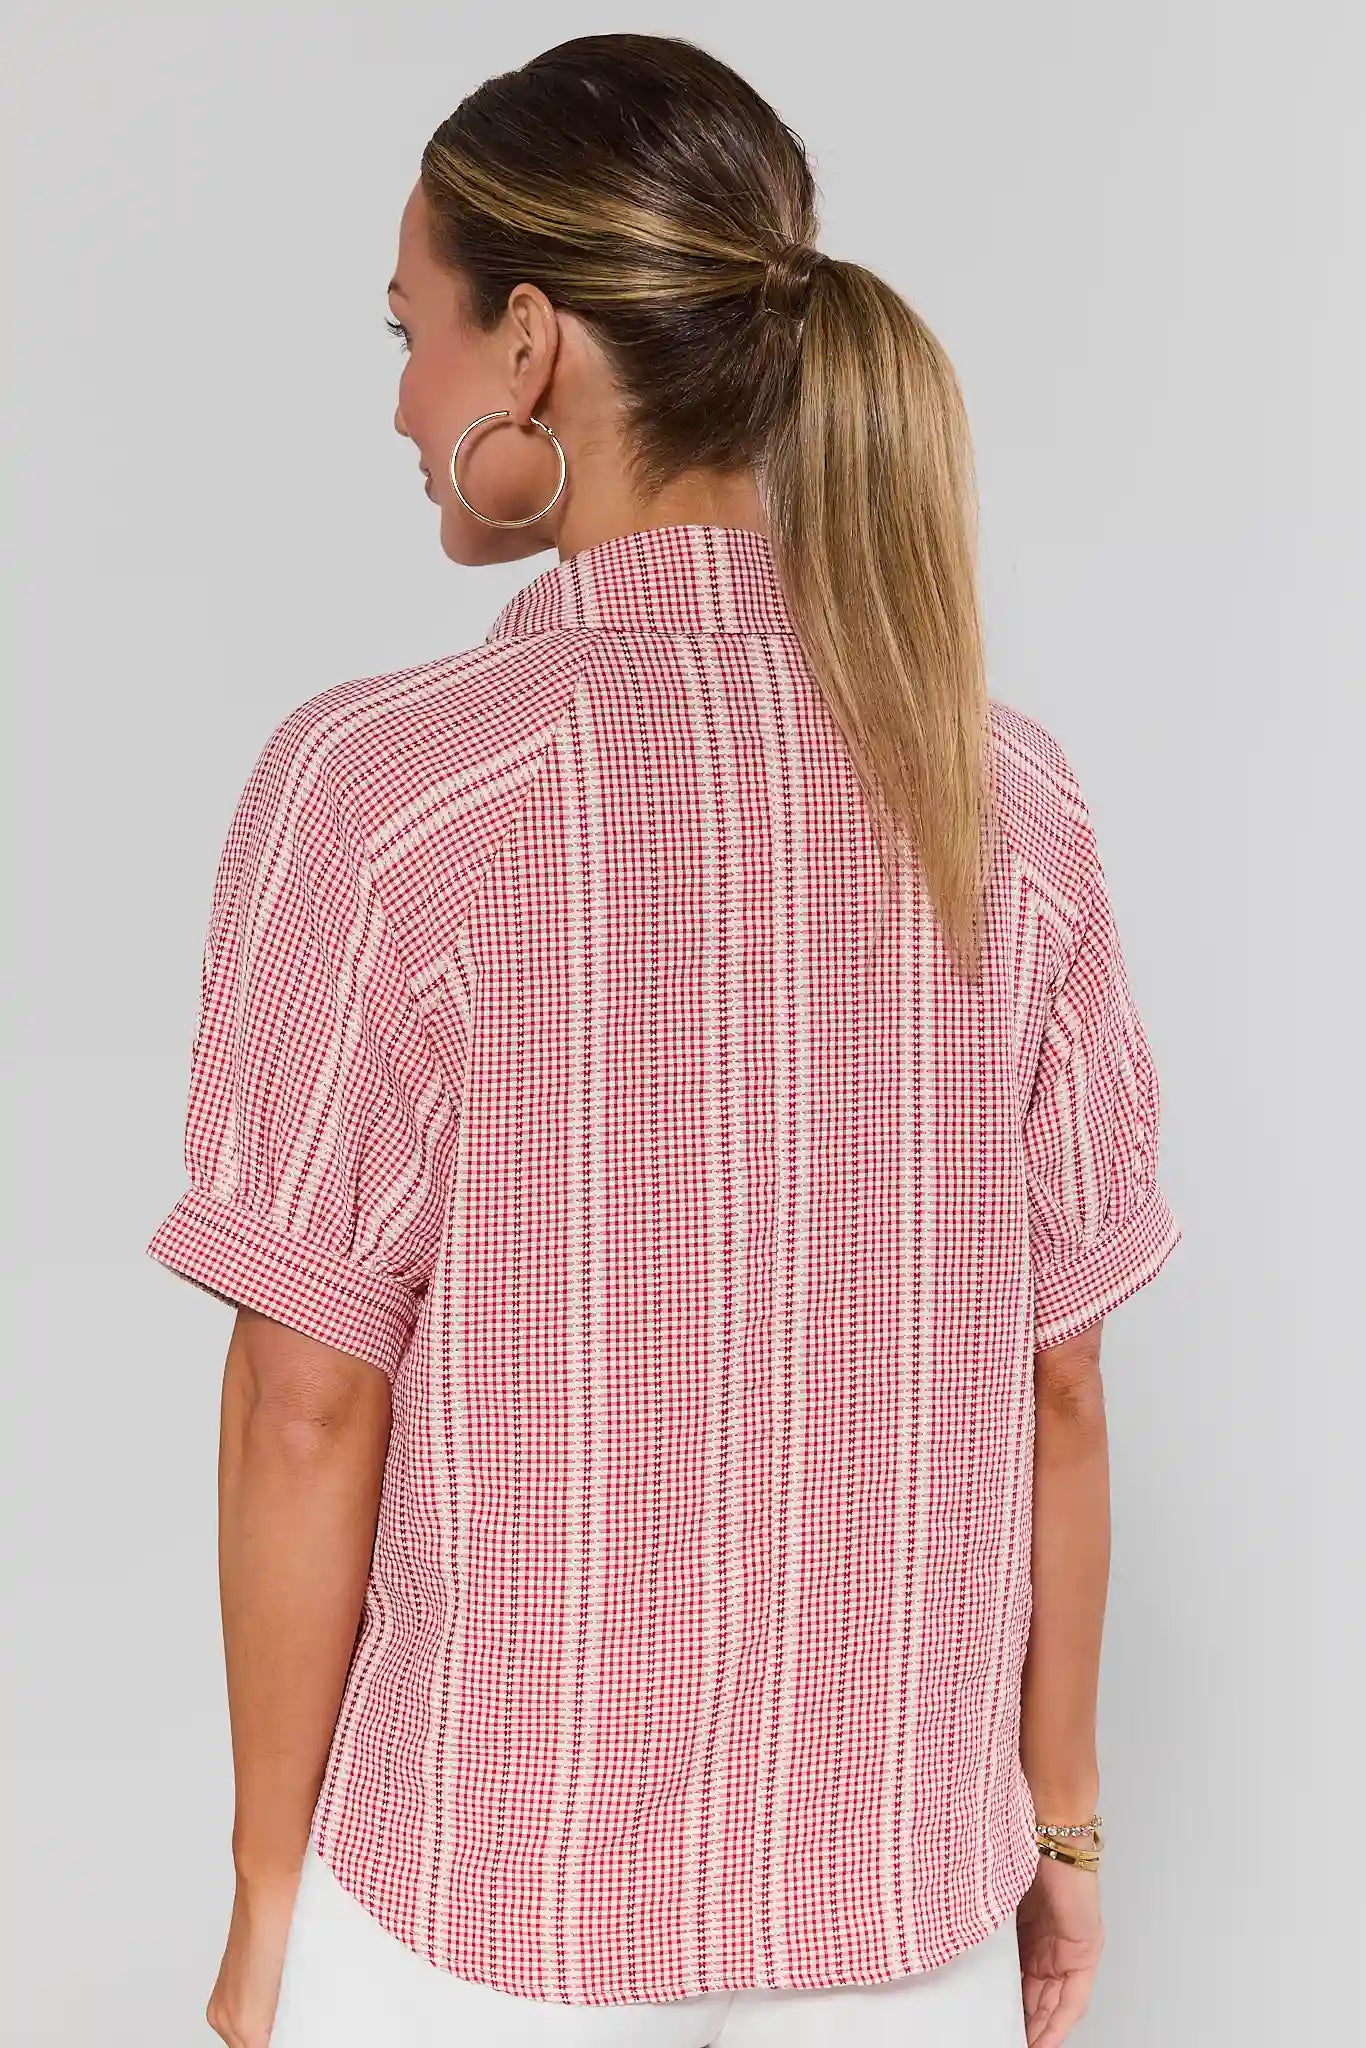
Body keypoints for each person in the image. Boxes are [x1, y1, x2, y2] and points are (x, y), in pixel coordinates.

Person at [144, 31, 1181, 2048]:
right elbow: (1058, 1384)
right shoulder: (1004, 797)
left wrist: (269, 1892)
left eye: (413, 333)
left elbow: (303, 1403)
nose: (401, 400)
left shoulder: (385, 792)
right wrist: (1057, 1834)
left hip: (477, 1900)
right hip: (904, 1911)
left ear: (530, 347)